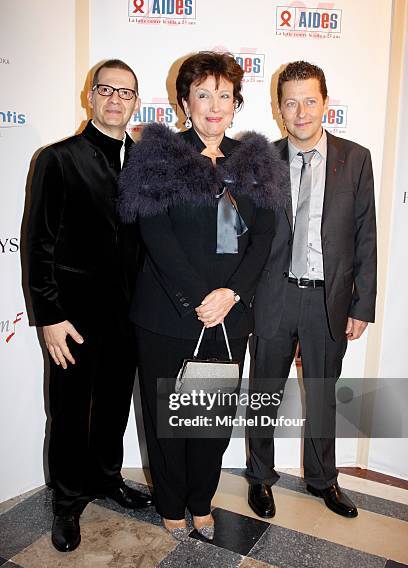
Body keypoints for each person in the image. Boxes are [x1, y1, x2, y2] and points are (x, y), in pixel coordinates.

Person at [119, 51, 288, 540]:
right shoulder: (160, 156)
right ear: (185, 102)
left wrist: (231, 294)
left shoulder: (255, 160)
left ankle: (201, 499)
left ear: (236, 103)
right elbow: (156, 234)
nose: (215, 105)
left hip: (230, 316)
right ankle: (171, 502)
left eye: (225, 95)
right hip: (167, 315)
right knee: (169, 419)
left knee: (210, 419)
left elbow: (264, 237)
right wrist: (200, 299)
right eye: (203, 94)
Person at [27, 59, 152, 553]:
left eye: (126, 92)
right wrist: (49, 317)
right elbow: (38, 244)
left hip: (130, 315)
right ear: (91, 96)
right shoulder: (58, 159)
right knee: (70, 408)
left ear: (136, 102)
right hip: (73, 317)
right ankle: (66, 499)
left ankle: (106, 478)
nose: (116, 99)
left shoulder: (146, 164)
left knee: (115, 405)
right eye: (107, 90)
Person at [246, 61, 377, 520]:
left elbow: (366, 235)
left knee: (323, 393)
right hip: (273, 296)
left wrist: (363, 303)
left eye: (309, 100)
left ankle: (324, 479)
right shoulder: (260, 161)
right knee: (265, 392)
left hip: (328, 300)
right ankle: (260, 476)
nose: (300, 111)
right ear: (278, 108)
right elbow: (239, 231)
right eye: (290, 102)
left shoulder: (356, 158)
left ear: (325, 103)